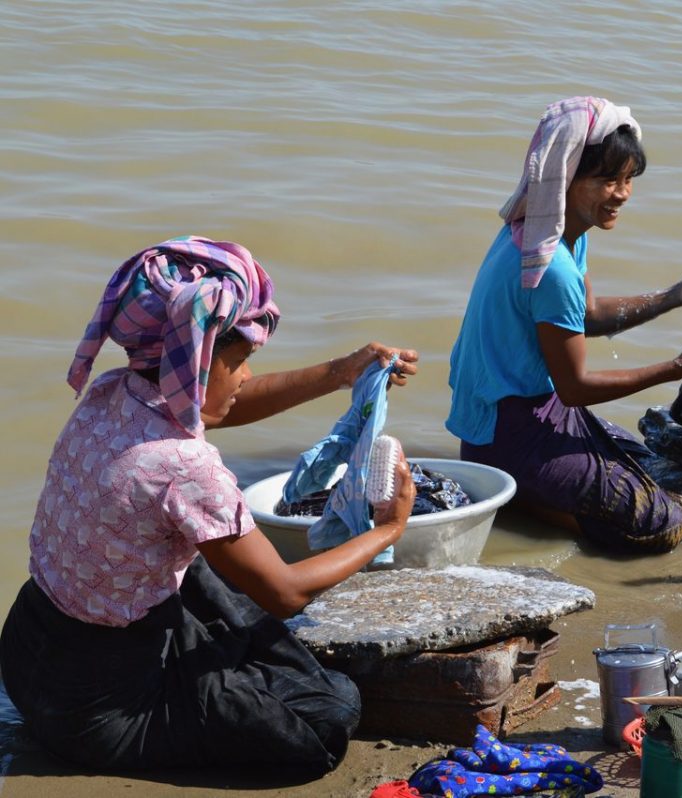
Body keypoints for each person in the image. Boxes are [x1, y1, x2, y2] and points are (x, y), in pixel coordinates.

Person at [0, 236, 420, 776]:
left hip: (29, 647)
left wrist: (343, 371)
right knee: (325, 718)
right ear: (197, 360)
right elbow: (287, 594)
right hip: (95, 708)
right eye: (241, 359)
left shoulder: (113, 393)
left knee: (211, 566)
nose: (245, 376)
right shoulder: (184, 465)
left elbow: (218, 407)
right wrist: (389, 527)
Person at [445, 96, 682, 553]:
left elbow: (585, 317)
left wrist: (675, 295)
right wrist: (680, 366)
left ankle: (524, 485)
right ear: (566, 177)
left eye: (628, 180)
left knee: (650, 464)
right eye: (607, 180)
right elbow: (577, 388)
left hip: (524, 413)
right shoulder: (552, 266)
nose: (622, 194)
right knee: (660, 525)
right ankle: (514, 496)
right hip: (509, 434)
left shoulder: (547, 232)